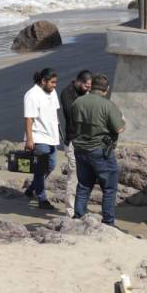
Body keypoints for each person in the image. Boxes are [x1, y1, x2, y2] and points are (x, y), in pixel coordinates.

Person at [70, 74, 125, 226]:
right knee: (109, 188)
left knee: (83, 185)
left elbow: (73, 123)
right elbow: (119, 128)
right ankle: (108, 222)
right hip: (100, 150)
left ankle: (78, 218)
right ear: (106, 89)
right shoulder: (107, 105)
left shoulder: (78, 102)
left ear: (92, 86)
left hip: (80, 149)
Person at [23, 68, 59, 210]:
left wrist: (59, 134)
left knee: (51, 166)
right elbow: (29, 119)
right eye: (52, 82)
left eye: (56, 82)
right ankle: (42, 199)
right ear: (43, 81)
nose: (55, 85)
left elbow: (54, 115)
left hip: (52, 137)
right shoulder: (32, 95)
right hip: (38, 137)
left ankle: (31, 189)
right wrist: (30, 139)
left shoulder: (52, 92)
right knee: (40, 169)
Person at [60, 70, 92, 217]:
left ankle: (81, 207)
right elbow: (71, 114)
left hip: (86, 141)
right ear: (79, 81)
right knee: (73, 175)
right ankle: (70, 210)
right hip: (73, 140)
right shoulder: (67, 93)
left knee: (85, 175)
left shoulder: (87, 94)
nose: (88, 89)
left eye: (90, 87)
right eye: (86, 86)